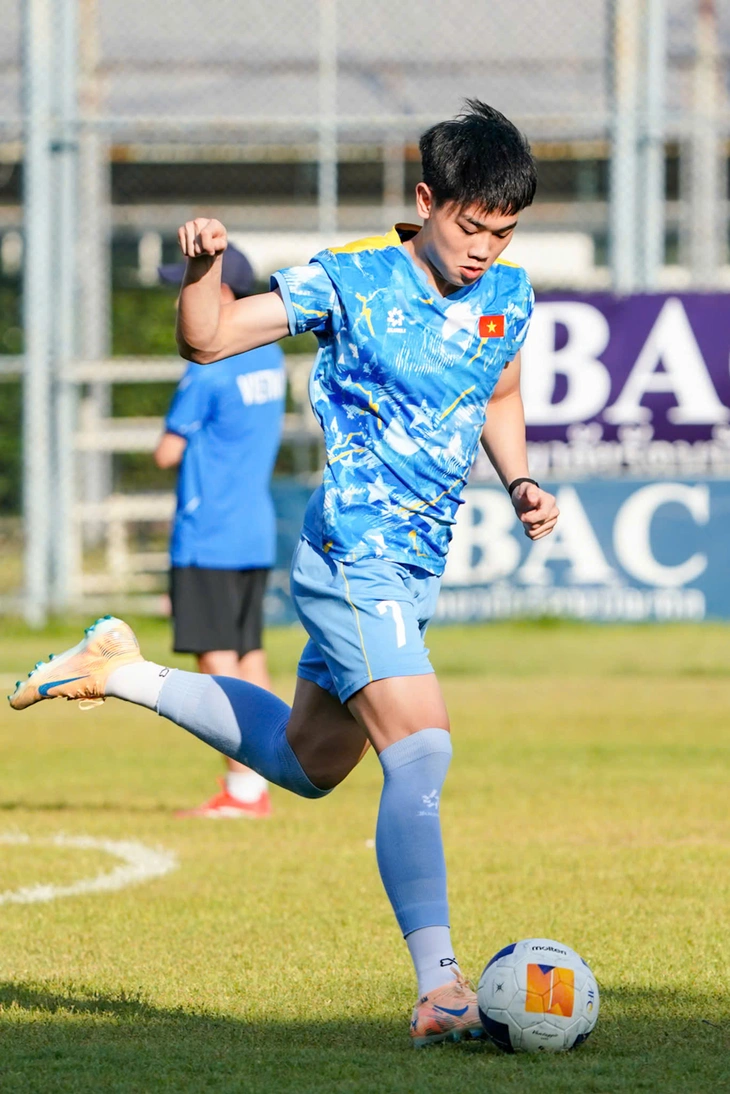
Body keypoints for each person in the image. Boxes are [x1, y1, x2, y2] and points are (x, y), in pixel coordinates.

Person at [10, 100, 559, 1046]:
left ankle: (117, 671)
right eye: (471, 228)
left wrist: (519, 480)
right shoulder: (352, 278)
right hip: (353, 553)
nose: (484, 250)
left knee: (307, 763)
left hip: (414, 570)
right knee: (422, 750)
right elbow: (209, 338)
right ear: (426, 201)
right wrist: (201, 272)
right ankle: (440, 990)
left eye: (503, 233)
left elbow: (499, 390)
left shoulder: (509, 296)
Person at [155, 245, 286, 817]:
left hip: (208, 532)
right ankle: (267, 774)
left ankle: (244, 788)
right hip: (253, 529)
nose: (180, 300)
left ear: (222, 293)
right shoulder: (269, 357)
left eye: (190, 286)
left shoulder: (208, 366)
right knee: (249, 655)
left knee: (216, 661)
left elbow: (167, 451)